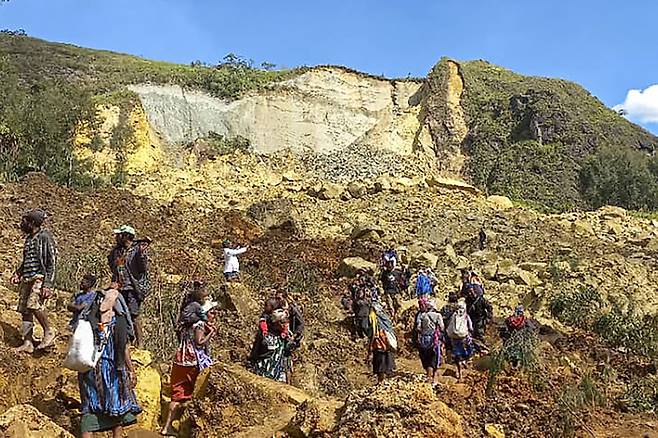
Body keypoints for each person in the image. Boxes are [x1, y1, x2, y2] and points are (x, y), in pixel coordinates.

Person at [78, 288, 141, 437]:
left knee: (89, 409)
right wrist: (131, 370)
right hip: (112, 372)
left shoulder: (89, 319)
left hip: (89, 371)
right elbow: (124, 349)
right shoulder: (117, 323)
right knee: (116, 413)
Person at [162, 287, 217, 436]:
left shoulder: (185, 324)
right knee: (196, 393)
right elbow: (199, 342)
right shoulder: (199, 324)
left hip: (179, 359)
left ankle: (167, 427)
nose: (214, 315)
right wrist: (210, 333)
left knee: (177, 394)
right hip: (193, 362)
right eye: (212, 312)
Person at [10, 209, 57, 353]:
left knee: (33, 304)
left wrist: (48, 284)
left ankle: (49, 332)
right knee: (24, 310)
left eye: (26, 221)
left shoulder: (45, 237)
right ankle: (28, 342)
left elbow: (52, 262)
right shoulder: (29, 238)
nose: (22, 223)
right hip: (28, 277)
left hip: (39, 277)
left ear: (32, 222)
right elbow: (27, 260)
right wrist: (18, 273)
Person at [108, 225, 150, 348]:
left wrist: (142, 255)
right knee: (120, 313)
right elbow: (112, 265)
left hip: (132, 288)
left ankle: (140, 343)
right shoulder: (117, 251)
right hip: (119, 287)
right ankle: (126, 341)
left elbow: (142, 269)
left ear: (126, 236)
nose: (117, 237)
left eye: (119, 235)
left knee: (134, 314)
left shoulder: (137, 250)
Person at [249, 309, 291, 382]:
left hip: (279, 373)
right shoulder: (265, 335)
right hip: (263, 370)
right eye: (282, 322)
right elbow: (256, 350)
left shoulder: (285, 335)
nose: (285, 325)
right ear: (276, 323)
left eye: (286, 322)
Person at [415, 297, 444, 385]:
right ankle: (433, 378)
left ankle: (428, 377)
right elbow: (442, 327)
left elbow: (418, 328)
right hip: (434, 340)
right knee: (435, 358)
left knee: (426, 358)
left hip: (424, 340)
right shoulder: (438, 316)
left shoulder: (422, 315)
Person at [366, 301, 396, 384]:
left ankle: (381, 381)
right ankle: (385, 381)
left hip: (379, 343)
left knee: (380, 363)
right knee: (387, 361)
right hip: (388, 343)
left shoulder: (373, 317)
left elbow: (373, 333)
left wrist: (370, 348)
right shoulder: (385, 317)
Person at [446, 300, 474, 380]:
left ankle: (460, 374)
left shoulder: (454, 315)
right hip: (464, 339)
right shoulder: (466, 316)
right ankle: (464, 362)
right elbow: (471, 327)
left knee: (457, 356)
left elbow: (449, 326)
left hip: (454, 339)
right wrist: (469, 331)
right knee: (468, 352)